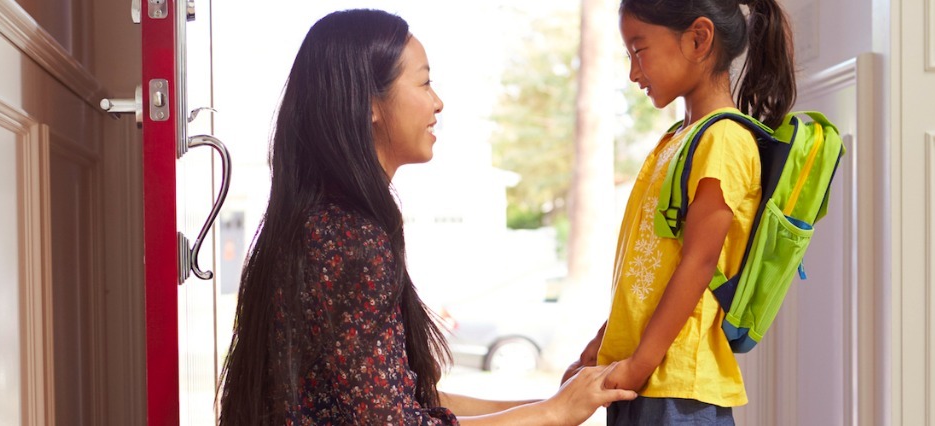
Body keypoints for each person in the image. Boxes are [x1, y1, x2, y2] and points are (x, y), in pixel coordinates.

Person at [216, 9, 637, 426]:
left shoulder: (323, 220)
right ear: (369, 104)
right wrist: (552, 413)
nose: (438, 102)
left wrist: (552, 403)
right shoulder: (348, 237)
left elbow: (413, 400)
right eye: (424, 81)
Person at [560, 0, 796, 424]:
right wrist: (601, 345)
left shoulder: (724, 139)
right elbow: (646, 270)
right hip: (645, 379)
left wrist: (637, 365)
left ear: (698, 39)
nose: (633, 72)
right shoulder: (678, 139)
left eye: (640, 50)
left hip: (677, 390)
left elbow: (699, 263)